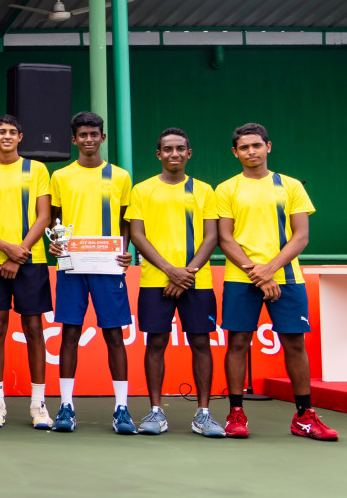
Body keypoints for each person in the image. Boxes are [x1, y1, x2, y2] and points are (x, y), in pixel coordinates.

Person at [216, 122, 335, 441]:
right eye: (244, 147)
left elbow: (301, 237)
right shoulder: (227, 188)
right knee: (238, 343)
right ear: (235, 152)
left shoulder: (291, 186)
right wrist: (255, 270)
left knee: (295, 344)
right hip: (240, 278)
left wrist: (269, 270)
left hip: (287, 278)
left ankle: (305, 417)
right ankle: (236, 414)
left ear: (268, 146)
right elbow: (225, 239)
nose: (251, 151)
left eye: (256, 145)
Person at [127, 128, 225, 438]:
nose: (174, 154)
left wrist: (187, 273)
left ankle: (204, 414)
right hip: (156, 280)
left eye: (180, 149)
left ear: (189, 153)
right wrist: (171, 270)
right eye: (168, 149)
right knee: (156, 343)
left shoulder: (205, 191)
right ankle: (156, 413)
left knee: (201, 343)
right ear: (159, 154)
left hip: (197, 281)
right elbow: (137, 236)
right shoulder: (142, 190)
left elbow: (212, 236)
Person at [48, 112, 135, 433]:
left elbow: (127, 221)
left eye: (93, 134)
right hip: (72, 264)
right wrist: (56, 246)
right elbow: (55, 222)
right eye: (82, 135)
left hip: (108, 266)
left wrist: (123, 251)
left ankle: (122, 408)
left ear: (102, 138)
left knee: (114, 333)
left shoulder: (121, 177)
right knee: (70, 332)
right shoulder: (60, 177)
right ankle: (66, 407)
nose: (88, 139)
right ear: (74, 140)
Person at [0, 114, 52, 430]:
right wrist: (6, 249)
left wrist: (18, 255)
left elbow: (43, 216)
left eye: (12, 132)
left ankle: (39, 405)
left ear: (21, 137)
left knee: (34, 328)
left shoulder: (37, 170)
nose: (6, 136)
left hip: (30, 261)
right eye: (1, 132)